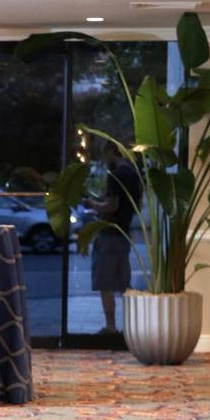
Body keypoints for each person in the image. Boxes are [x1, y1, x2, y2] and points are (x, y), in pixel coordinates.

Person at [84, 141, 142, 334]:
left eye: (104, 155)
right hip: (124, 233)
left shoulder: (115, 175)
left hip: (109, 233)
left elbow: (112, 206)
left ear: (111, 153)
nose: (104, 160)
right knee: (123, 283)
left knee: (106, 283)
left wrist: (94, 205)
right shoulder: (134, 175)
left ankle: (110, 327)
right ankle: (132, 326)